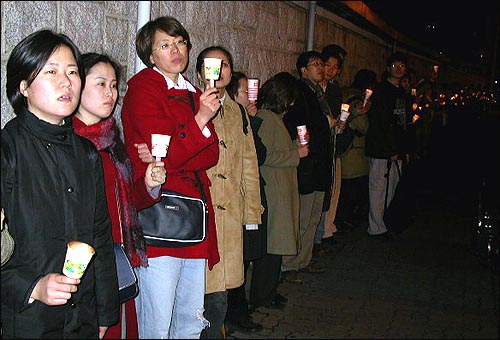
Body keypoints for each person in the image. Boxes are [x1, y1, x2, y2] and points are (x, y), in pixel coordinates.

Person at [1, 29, 119, 339]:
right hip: (26, 319)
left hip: (82, 318)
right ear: (24, 86)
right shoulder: (7, 150)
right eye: (51, 71)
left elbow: (99, 235)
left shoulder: (86, 153)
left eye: (72, 72)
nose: (66, 81)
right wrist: (32, 287)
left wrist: (106, 310)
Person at [120, 16, 221, 339]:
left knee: (191, 319)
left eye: (180, 42)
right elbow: (161, 152)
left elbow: (211, 154)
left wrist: (178, 146)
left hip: (193, 216)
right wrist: (201, 119)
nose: (176, 50)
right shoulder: (144, 86)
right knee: (156, 320)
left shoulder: (191, 90)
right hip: (159, 215)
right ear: (150, 56)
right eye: (164, 45)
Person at [72, 52, 167, 339]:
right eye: (100, 84)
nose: (111, 93)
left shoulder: (113, 141)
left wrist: (149, 184)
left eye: (114, 85)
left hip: (118, 260)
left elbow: (126, 202)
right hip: (87, 265)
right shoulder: (69, 144)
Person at [195, 46, 262, 339]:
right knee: (195, 292)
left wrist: (251, 214)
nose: (219, 70)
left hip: (230, 217)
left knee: (219, 293)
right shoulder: (188, 104)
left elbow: (249, 163)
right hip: (200, 214)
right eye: (212, 65)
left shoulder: (237, 111)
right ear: (200, 72)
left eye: (225, 64)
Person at [249, 71, 307, 309]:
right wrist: (296, 154)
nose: (291, 105)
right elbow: (264, 155)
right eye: (289, 99)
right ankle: (262, 294)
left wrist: (296, 146)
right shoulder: (266, 117)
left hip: (282, 188)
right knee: (271, 247)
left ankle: (269, 291)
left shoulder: (275, 118)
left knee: (276, 247)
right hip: (274, 190)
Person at [281, 51, 332, 283]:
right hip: (307, 163)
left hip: (320, 161)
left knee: (313, 216)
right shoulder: (301, 93)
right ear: (303, 69)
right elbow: (300, 123)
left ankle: (305, 258)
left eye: (322, 64)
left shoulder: (319, 93)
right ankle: (291, 264)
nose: (320, 68)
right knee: (302, 216)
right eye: (315, 64)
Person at [224, 71, 267, 334]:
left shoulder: (243, 119)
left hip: (245, 201)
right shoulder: (230, 119)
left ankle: (239, 312)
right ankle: (234, 314)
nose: (249, 98)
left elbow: (257, 154)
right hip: (231, 202)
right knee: (236, 260)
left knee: (244, 259)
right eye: (244, 93)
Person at [364, 52, 410, 238]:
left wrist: (405, 149)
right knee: (379, 188)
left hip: (396, 150)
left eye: (402, 66)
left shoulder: (402, 93)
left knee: (391, 188)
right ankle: (376, 227)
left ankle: (384, 222)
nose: (399, 69)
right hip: (382, 149)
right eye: (395, 65)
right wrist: (390, 149)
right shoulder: (381, 92)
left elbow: (404, 124)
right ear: (388, 68)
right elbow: (380, 123)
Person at [334, 69, 376, 232]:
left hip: (347, 153)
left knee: (344, 192)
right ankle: (345, 220)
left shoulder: (344, 94)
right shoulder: (357, 100)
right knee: (351, 192)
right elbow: (362, 126)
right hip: (354, 152)